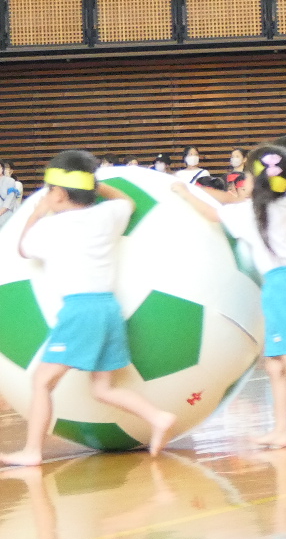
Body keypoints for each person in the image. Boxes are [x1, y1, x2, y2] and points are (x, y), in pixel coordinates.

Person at [1, 153, 177, 467]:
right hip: (108, 309)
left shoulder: (50, 228)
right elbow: (126, 202)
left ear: (58, 194)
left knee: (42, 381)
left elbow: (23, 248)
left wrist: (37, 213)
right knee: (103, 387)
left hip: (80, 311)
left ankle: (32, 451)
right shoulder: (107, 215)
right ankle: (158, 417)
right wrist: (98, 187)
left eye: (48, 190)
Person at [174, 142, 286, 450]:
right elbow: (230, 202)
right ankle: (283, 429)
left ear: (255, 180)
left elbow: (213, 213)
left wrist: (185, 193)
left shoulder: (253, 212)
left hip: (285, 288)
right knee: (277, 364)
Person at [0, 161, 20, 230]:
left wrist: (1, 212)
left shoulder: (10, 181)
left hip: (5, 215)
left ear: (2, 168)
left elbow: (10, 199)